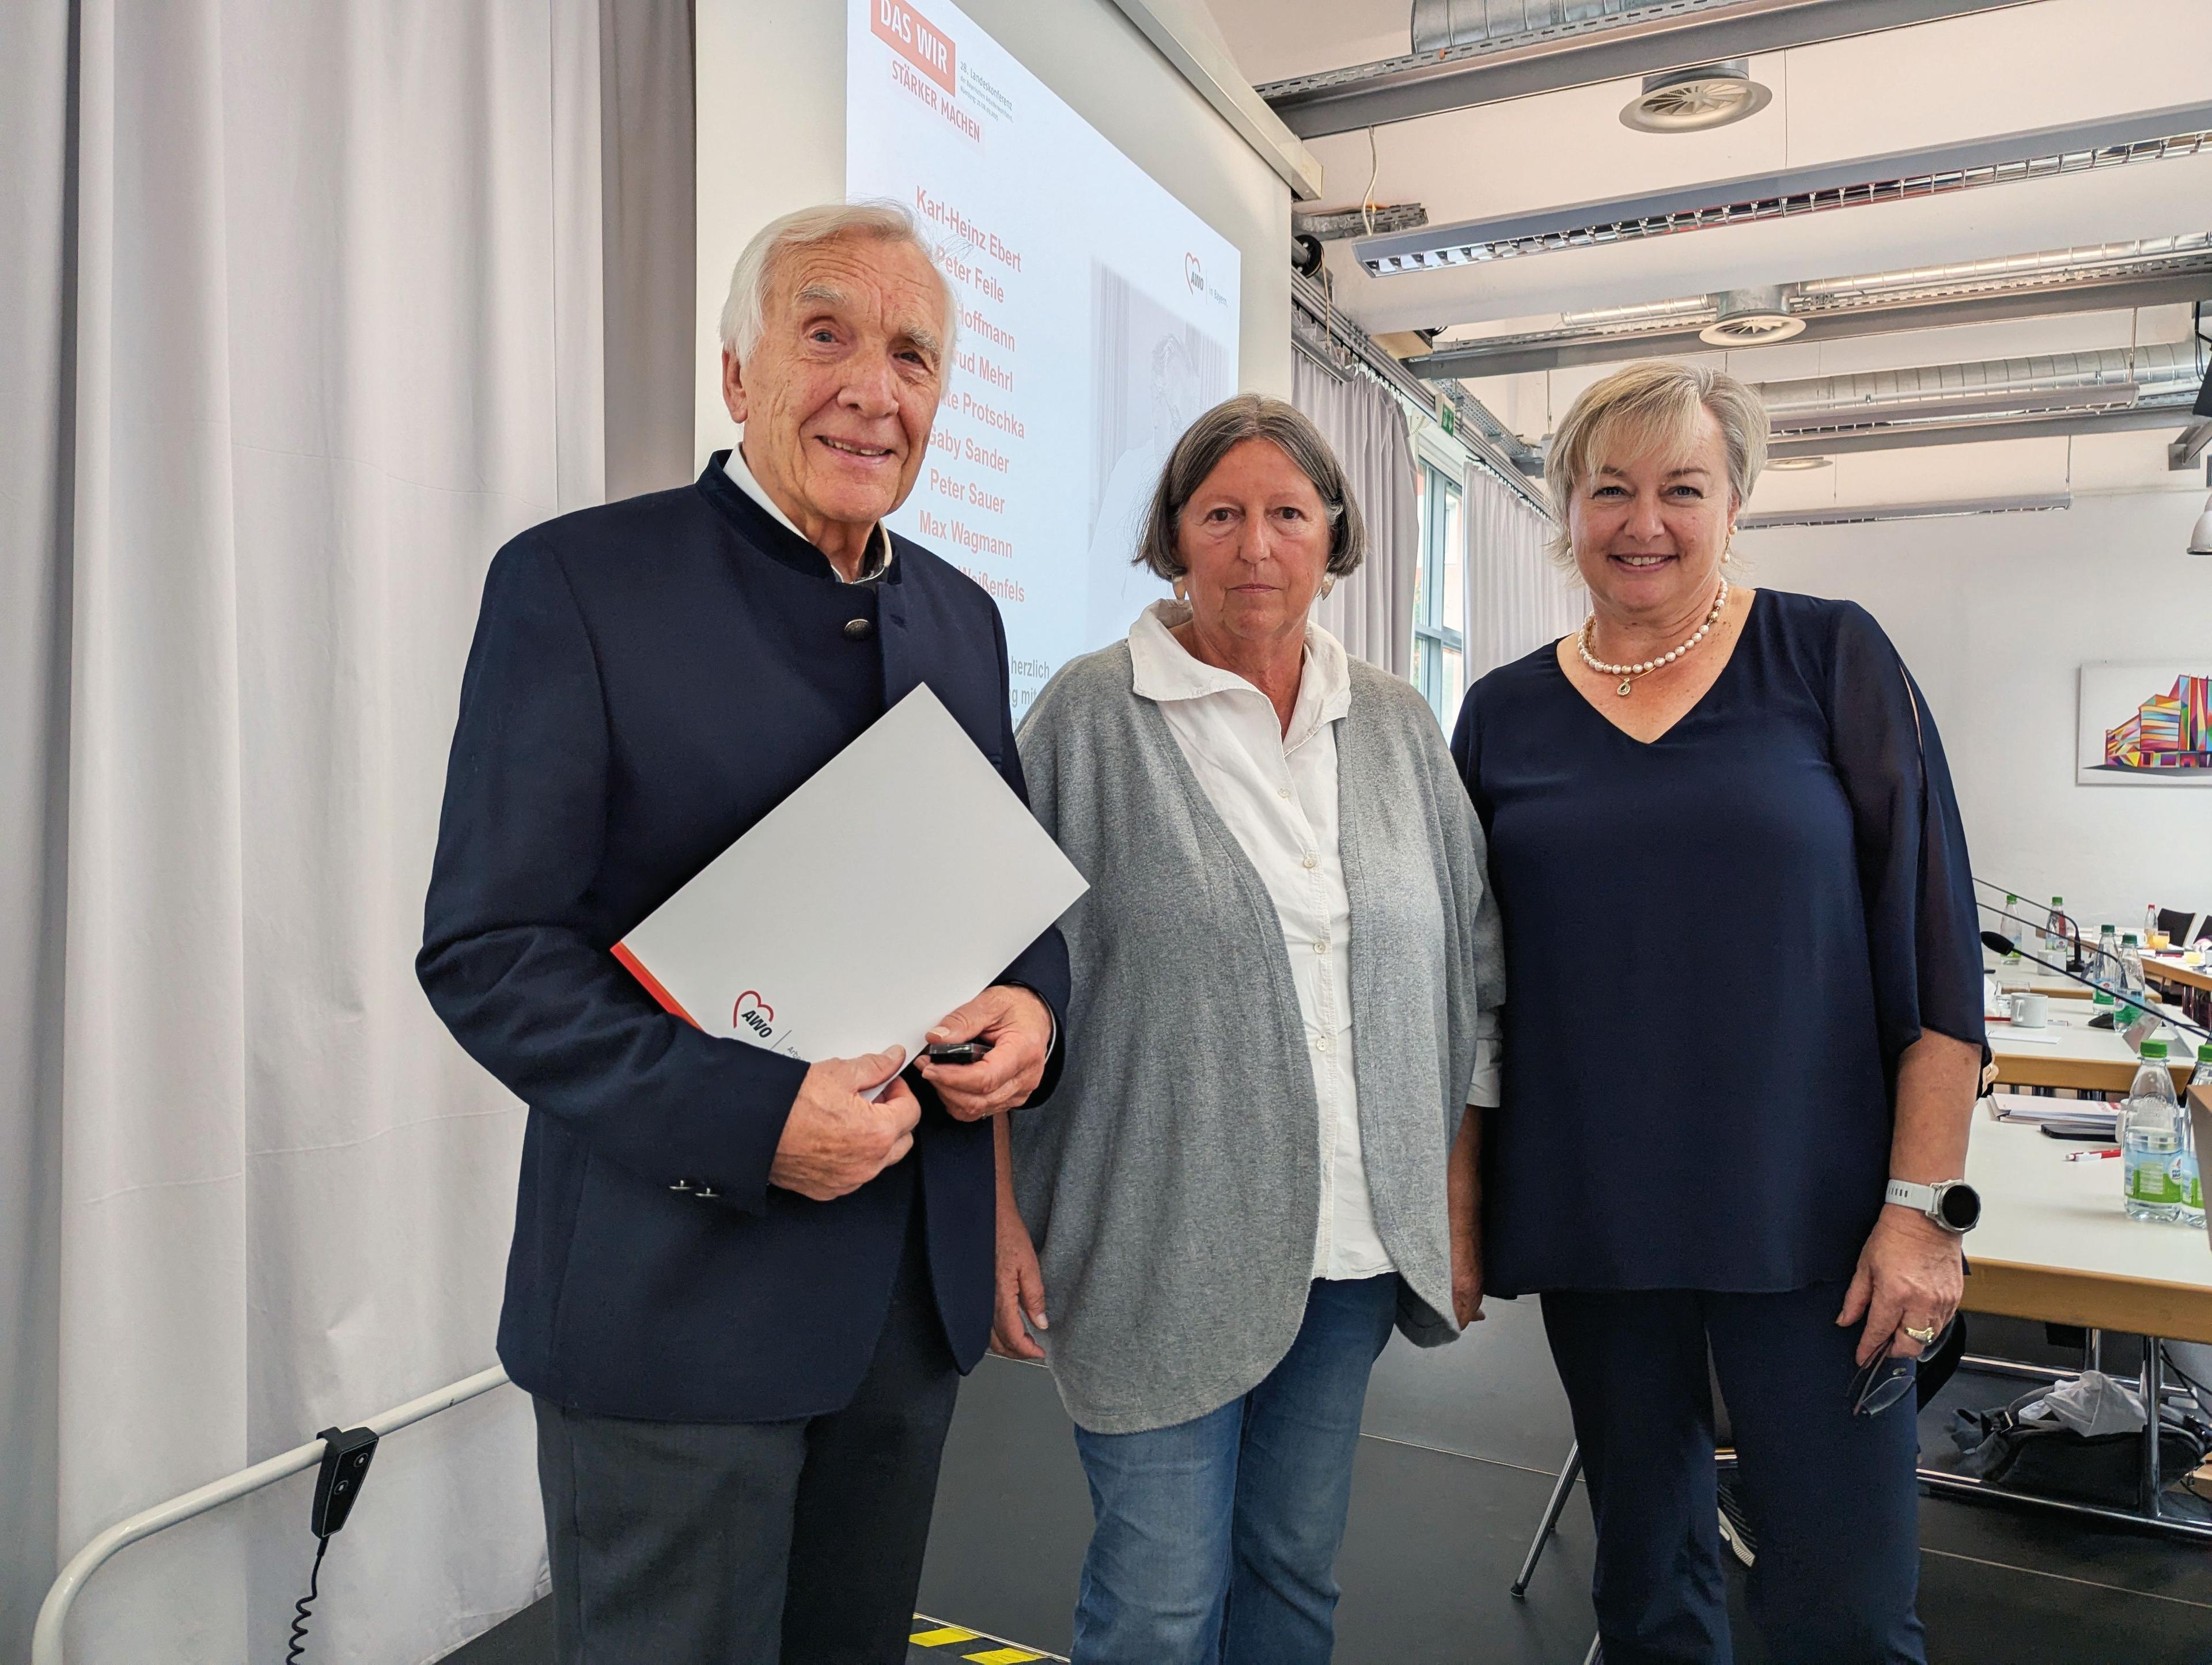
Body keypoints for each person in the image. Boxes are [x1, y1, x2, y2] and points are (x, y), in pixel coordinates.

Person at [416, 200, 1070, 1665]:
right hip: (674, 1314)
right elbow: (489, 954)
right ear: (736, 373)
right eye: (825, 335)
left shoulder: (962, 615)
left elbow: (1000, 896)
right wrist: (755, 1119)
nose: (873, 389)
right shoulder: (577, 584)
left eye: (913, 355)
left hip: (902, 1315)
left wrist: (1036, 1008)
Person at [1450, 360, 1986, 1665]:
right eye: (1610, 490)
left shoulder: (1831, 656)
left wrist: (1923, 1215)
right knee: (1647, 1597)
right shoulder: (1502, 713)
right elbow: (1468, 989)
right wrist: (1458, 1206)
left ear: (1735, 503)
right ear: (1566, 508)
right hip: (1597, 1219)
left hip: (1819, 1227)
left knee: (1848, 1610)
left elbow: (1934, 956)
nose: (1645, 523)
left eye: (1682, 489)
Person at [1002, 394, 1506, 1664]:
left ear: (1333, 533)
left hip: (1349, 1242)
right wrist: (995, 1212)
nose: (1256, 546)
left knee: (1292, 1573)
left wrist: (1455, 1201)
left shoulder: (1393, 721)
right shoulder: (1090, 715)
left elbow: (1470, 966)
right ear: (1174, 537)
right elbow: (998, 981)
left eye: (1288, 513)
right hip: (1155, 1235)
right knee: (1160, 1605)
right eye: (1221, 514)